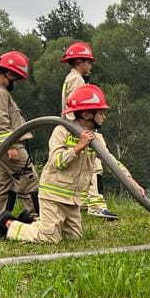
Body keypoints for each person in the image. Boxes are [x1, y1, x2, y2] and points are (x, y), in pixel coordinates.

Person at [0, 84, 145, 243]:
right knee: (50, 238)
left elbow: (112, 163)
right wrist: (79, 146)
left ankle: (30, 222)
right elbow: (58, 162)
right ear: (87, 114)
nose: (104, 117)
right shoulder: (62, 132)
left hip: (72, 199)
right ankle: (9, 225)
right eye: (101, 112)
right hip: (53, 195)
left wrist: (132, 184)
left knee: (73, 238)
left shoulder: (97, 139)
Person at [60, 41, 118, 220]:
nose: (91, 65)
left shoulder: (71, 78)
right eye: (88, 62)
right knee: (94, 166)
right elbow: (79, 106)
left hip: (76, 128)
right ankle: (96, 206)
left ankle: (85, 203)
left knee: (87, 165)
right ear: (79, 61)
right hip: (81, 128)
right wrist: (83, 130)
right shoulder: (76, 80)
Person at [0, 51, 39, 225]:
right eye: (17, 78)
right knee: (29, 178)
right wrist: (10, 145)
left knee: (5, 182)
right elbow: (0, 120)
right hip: (8, 145)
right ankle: (37, 218)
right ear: (9, 74)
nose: (17, 82)